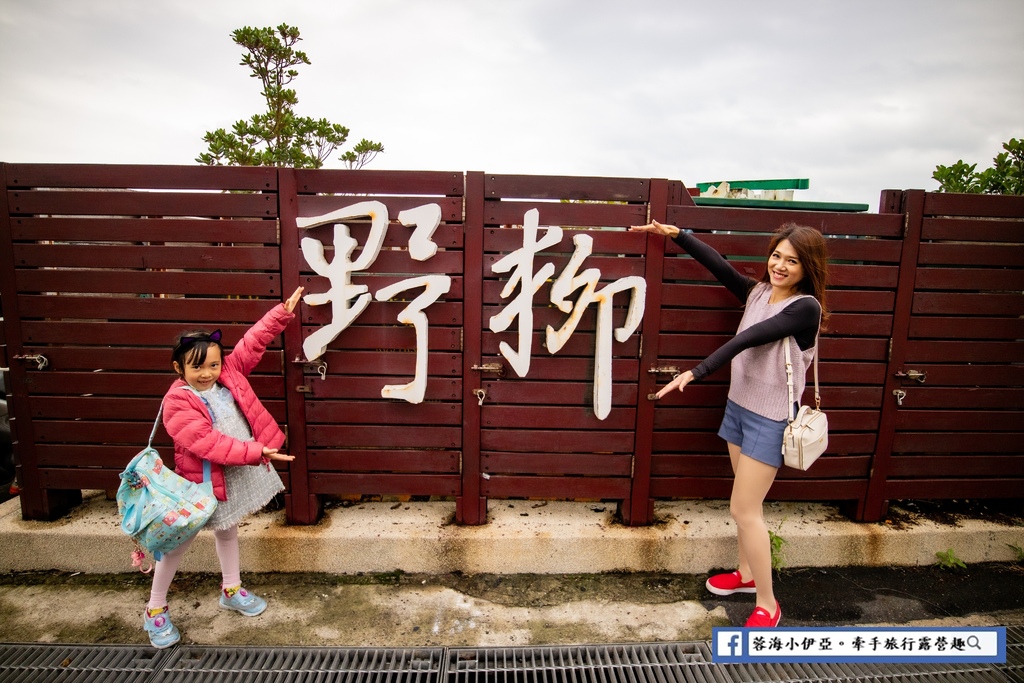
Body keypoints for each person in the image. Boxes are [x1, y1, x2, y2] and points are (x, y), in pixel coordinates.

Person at [629, 220, 829, 628]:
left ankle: (768, 603)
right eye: (776, 255)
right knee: (744, 507)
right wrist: (677, 235)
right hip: (739, 408)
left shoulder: (805, 307)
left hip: (771, 419)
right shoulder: (757, 292)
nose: (780, 265)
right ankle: (747, 575)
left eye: (792, 261)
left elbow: (750, 338)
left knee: (744, 509)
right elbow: (720, 267)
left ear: (807, 268)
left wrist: (695, 372)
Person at [143, 287, 303, 648]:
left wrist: (280, 314)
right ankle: (154, 610)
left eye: (213, 364)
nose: (207, 373)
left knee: (228, 530)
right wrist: (257, 451)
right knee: (176, 546)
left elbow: (251, 343)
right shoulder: (177, 402)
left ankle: (231, 589)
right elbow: (208, 444)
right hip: (201, 481)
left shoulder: (228, 373)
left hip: (231, 474)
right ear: (179, 368)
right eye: (197, 366)